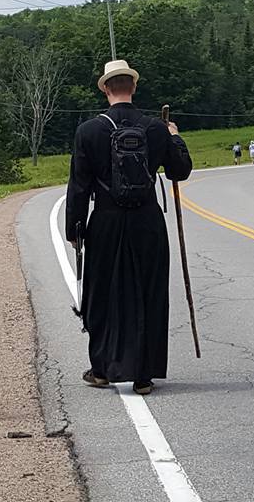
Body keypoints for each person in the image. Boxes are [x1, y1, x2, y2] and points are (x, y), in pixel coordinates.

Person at [65, 60, 193, 395]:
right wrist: (175, 137)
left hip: (105, 221)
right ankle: (144, 375)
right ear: (133, 87)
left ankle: (102, 369)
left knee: (102, 293)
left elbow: (78, 186)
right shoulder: (155, 128)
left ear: (106, 89)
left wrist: (75, 230)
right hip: (147, 221)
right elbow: (180, 171)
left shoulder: (88, 131)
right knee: (149, 291)